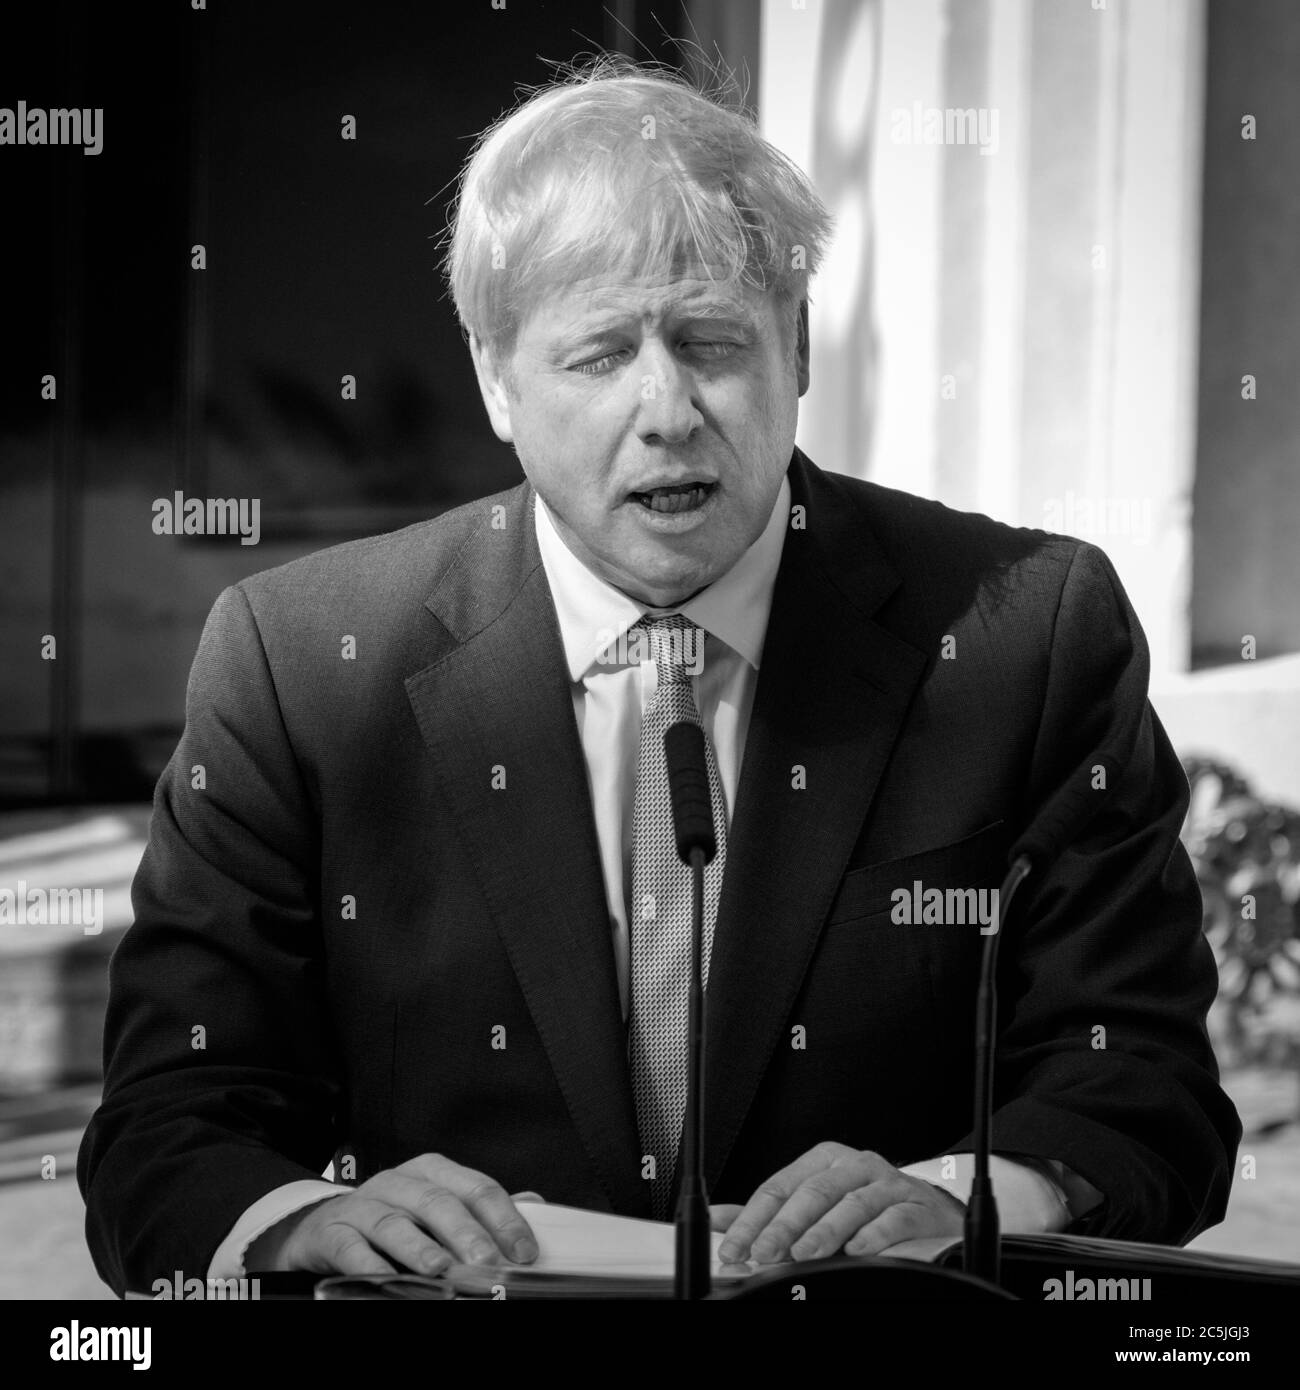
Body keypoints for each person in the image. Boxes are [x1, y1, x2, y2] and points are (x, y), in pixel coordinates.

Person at [78, 60, 1238, 1295]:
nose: (668, 410)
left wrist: (965, 1197)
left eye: (711, 342)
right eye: (596, 356)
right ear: (495, 379)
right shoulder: (300, 662)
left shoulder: (1028, 633)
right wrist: (306, 1219)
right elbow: (170, 1121)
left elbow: (1143, 1083)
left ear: (798, 346)